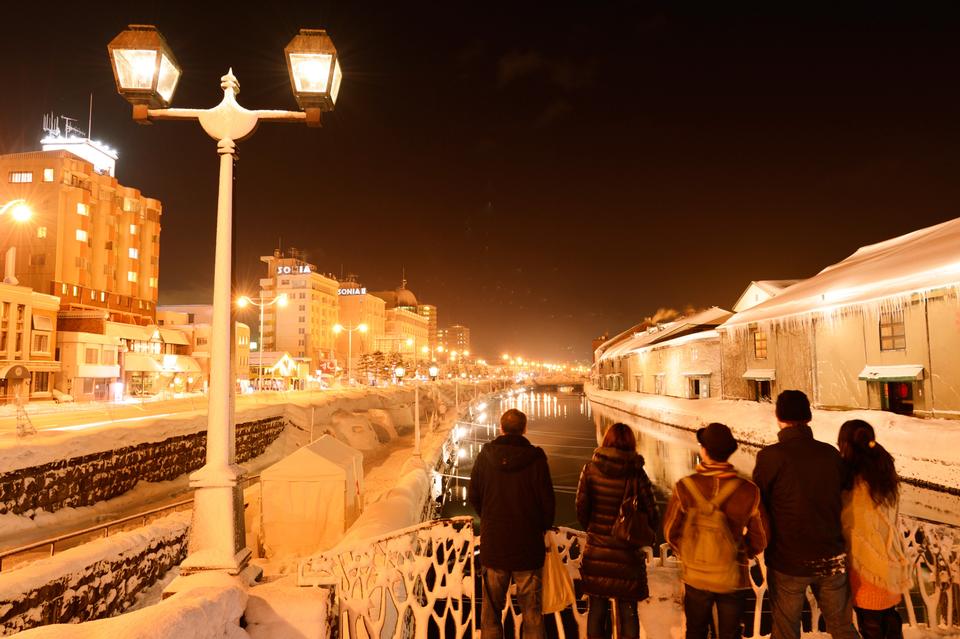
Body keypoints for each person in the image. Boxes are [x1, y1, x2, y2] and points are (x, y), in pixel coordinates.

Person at [753, 390, 859, 639]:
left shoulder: (770, 457)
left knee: (786, 630)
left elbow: (759, 504)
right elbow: (844, 496)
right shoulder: (830, 455)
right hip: (832, 557)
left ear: (778, 416)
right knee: (843, 628)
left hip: (788, 559)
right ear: (808, 417)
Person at [664, 422, 770, 639]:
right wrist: (742, 552)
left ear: (703, 450)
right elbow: (762, 537)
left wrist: (690, 553)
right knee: (730, 633)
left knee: (696, 631)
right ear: (729, 452)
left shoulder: (685, 486)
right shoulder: (748, 490)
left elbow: (670, 531)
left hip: (696, 574)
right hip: (733, 574)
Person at [468, 408, 555, 639]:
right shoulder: (536, 459)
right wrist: (538, 527)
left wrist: (489, 519)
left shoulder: (485, 455)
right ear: (524, 429)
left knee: (491, 614)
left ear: (501, 427)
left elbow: (473, 497)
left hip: (494, 546)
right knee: (532, 613)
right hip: (527, 547)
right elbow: (548, 505)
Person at [576, 422, 659, 639]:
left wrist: (595, 531)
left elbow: (581, 509)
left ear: (606, 441)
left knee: (597, 609)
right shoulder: (637, 473)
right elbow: (652, 513)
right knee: (628, 610)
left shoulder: (590, 470)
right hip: (627, 553)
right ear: (631, 443)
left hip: (597, 552)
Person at [837, 419, 911, 639]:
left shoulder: (853, 484)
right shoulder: (884, 473)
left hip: (867, 567)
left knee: (871, 624)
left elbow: (852, 526)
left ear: (845, 445)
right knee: (889, 617)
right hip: (890, 561)